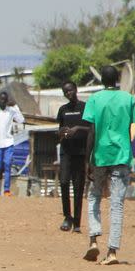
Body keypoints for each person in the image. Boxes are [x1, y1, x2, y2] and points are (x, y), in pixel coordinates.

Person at [82, 65, 135, 265]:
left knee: (94, 196)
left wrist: (87, 159)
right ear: (117, 80)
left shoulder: (95, 99)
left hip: (100, 156)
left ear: (102, 80)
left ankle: (94, 240)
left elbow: (91, 130)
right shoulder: (129, 99)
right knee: (117, 205)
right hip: (121, 156)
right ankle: (112, 252)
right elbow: (131, 127)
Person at [57, 81, 90, 232]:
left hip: (81, 153)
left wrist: (77, 129)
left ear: (76, 89)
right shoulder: (62, 110)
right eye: (65, 92)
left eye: (70, 90)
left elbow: (92, 128)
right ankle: (67, 217)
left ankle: (77, 223)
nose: (68, 93)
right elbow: (59, 131)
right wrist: (62, 132)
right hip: (66, 152)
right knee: (63, 182)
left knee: (78, 187)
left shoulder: (85, 107)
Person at [0, 91, 25, 196]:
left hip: (8, 142)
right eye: (1, 99)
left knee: (7, 165)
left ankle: (6, 190)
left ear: (7, 101)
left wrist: (15, 106)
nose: (3, 101)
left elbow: (21, 120)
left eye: (5, 100)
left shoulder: (11, 111)